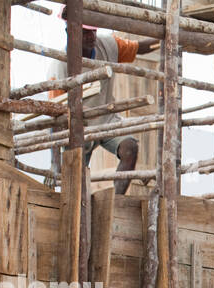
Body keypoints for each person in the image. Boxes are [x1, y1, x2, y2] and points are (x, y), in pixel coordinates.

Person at [49, 19, 158, 194]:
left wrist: (166, 37)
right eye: (85, 32)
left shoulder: (108, 45)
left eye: (93, 31)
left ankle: (116, 202)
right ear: (70, 32)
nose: (91, 36)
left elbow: (140, 47)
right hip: (78, 127)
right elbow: (55, 117)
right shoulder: (60, 66)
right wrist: (55, 162)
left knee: (129, 147)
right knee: (75, 181)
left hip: (106, 119)